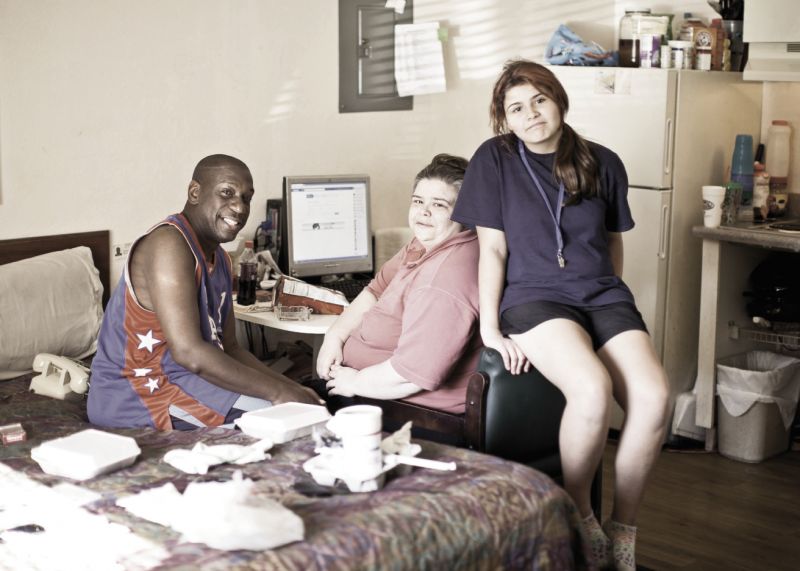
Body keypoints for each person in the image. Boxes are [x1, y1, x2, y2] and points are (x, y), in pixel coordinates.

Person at [451, 60, 669, 571]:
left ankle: (624, 529)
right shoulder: (495, 160)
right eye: (516, 108)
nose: (531, 115)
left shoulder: (604, 161)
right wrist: (490, 328)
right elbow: (493, 252)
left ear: (559, 99)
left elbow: (612, 242)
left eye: (539, 101)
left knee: (655, 398)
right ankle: (579, 516)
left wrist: (610, 294)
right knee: (591, 388)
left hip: (603, 296)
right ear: (505, 118)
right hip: (534, 299)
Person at [88, 154, 321, 430]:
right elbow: (189, 352)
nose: (239, 206)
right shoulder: (168, 244)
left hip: (187, 378)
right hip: (137, 394)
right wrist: (278, 393)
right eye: (227, 193)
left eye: (246, 197)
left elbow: (231, 348)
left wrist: (291, 388)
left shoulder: (220, 258)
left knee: (307, 406)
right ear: (195, 192)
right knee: (295, 422)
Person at [316, 154, 481, 417]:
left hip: (409, 410)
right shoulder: (425, 244)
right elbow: (375, 290)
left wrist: (354, 383)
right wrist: (334, 336)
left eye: (439, 205)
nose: (423, 212)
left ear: (465, 212)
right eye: (418, 201)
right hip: (364, 386)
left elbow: (411, 376)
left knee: (287, 404)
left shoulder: (444, 281)